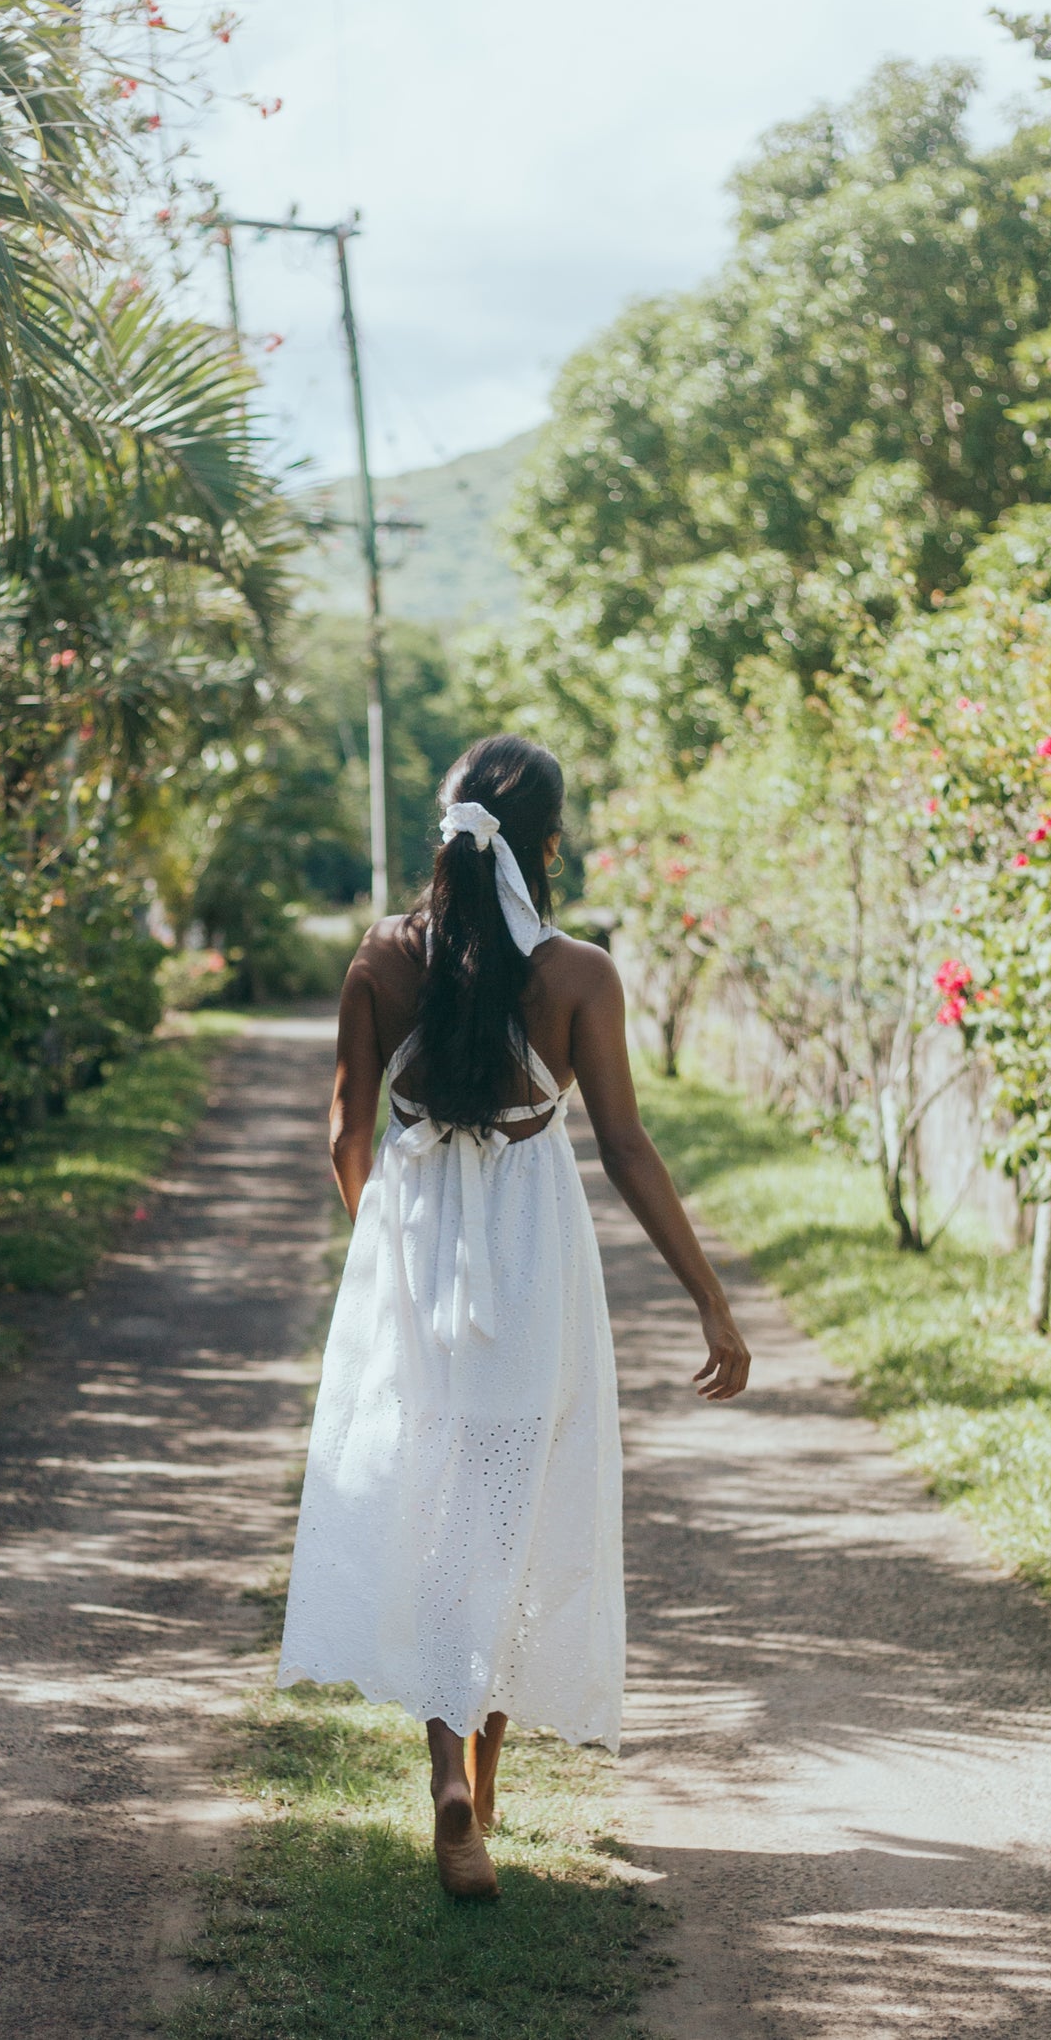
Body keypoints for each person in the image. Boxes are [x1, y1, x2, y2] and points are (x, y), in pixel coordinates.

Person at [277, 734, 753, 1897]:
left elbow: (347, 1134)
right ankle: (482, 1787)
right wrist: (710, 1302)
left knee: (429, 1492)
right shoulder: (580, 973)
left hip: (414, 1249)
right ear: (543, 844)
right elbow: (627, 1149)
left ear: (442, 835)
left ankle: (446, 1774)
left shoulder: (381, 959)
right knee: (506, 1506)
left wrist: (389, 1239)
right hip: (531, 1258)